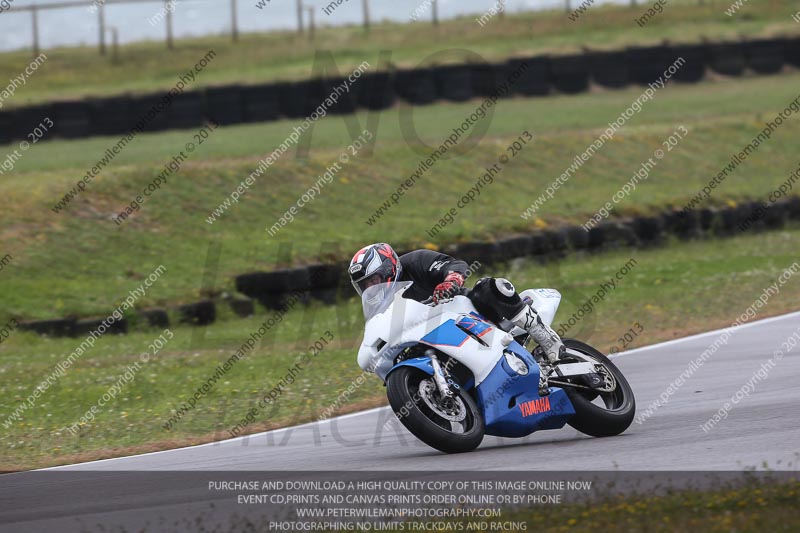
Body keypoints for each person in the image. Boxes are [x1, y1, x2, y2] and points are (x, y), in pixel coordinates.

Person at [348, 243, 564, 362]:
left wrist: (450, 280)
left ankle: (544, 335)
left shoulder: (415, 261)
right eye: (364, 285)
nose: (371, 289)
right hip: (431, 337)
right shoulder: (380, 308)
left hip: (466, 313)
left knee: (488, 287)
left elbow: (454, 264)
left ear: (388, 268)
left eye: (373, 280)